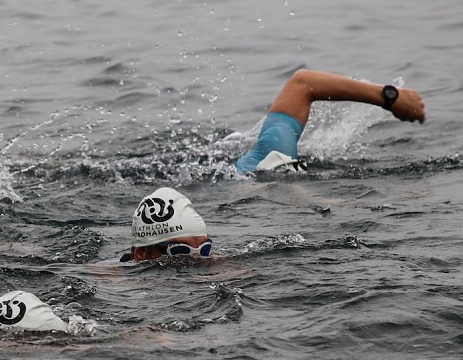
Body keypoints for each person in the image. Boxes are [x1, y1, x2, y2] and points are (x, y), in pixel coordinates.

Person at [124, 69, 426, 261]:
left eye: (204, 250)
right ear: (141, 254)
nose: (200, 261)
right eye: (180, 252)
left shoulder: (271, 159)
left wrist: (390, 98)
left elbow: (303, 82)